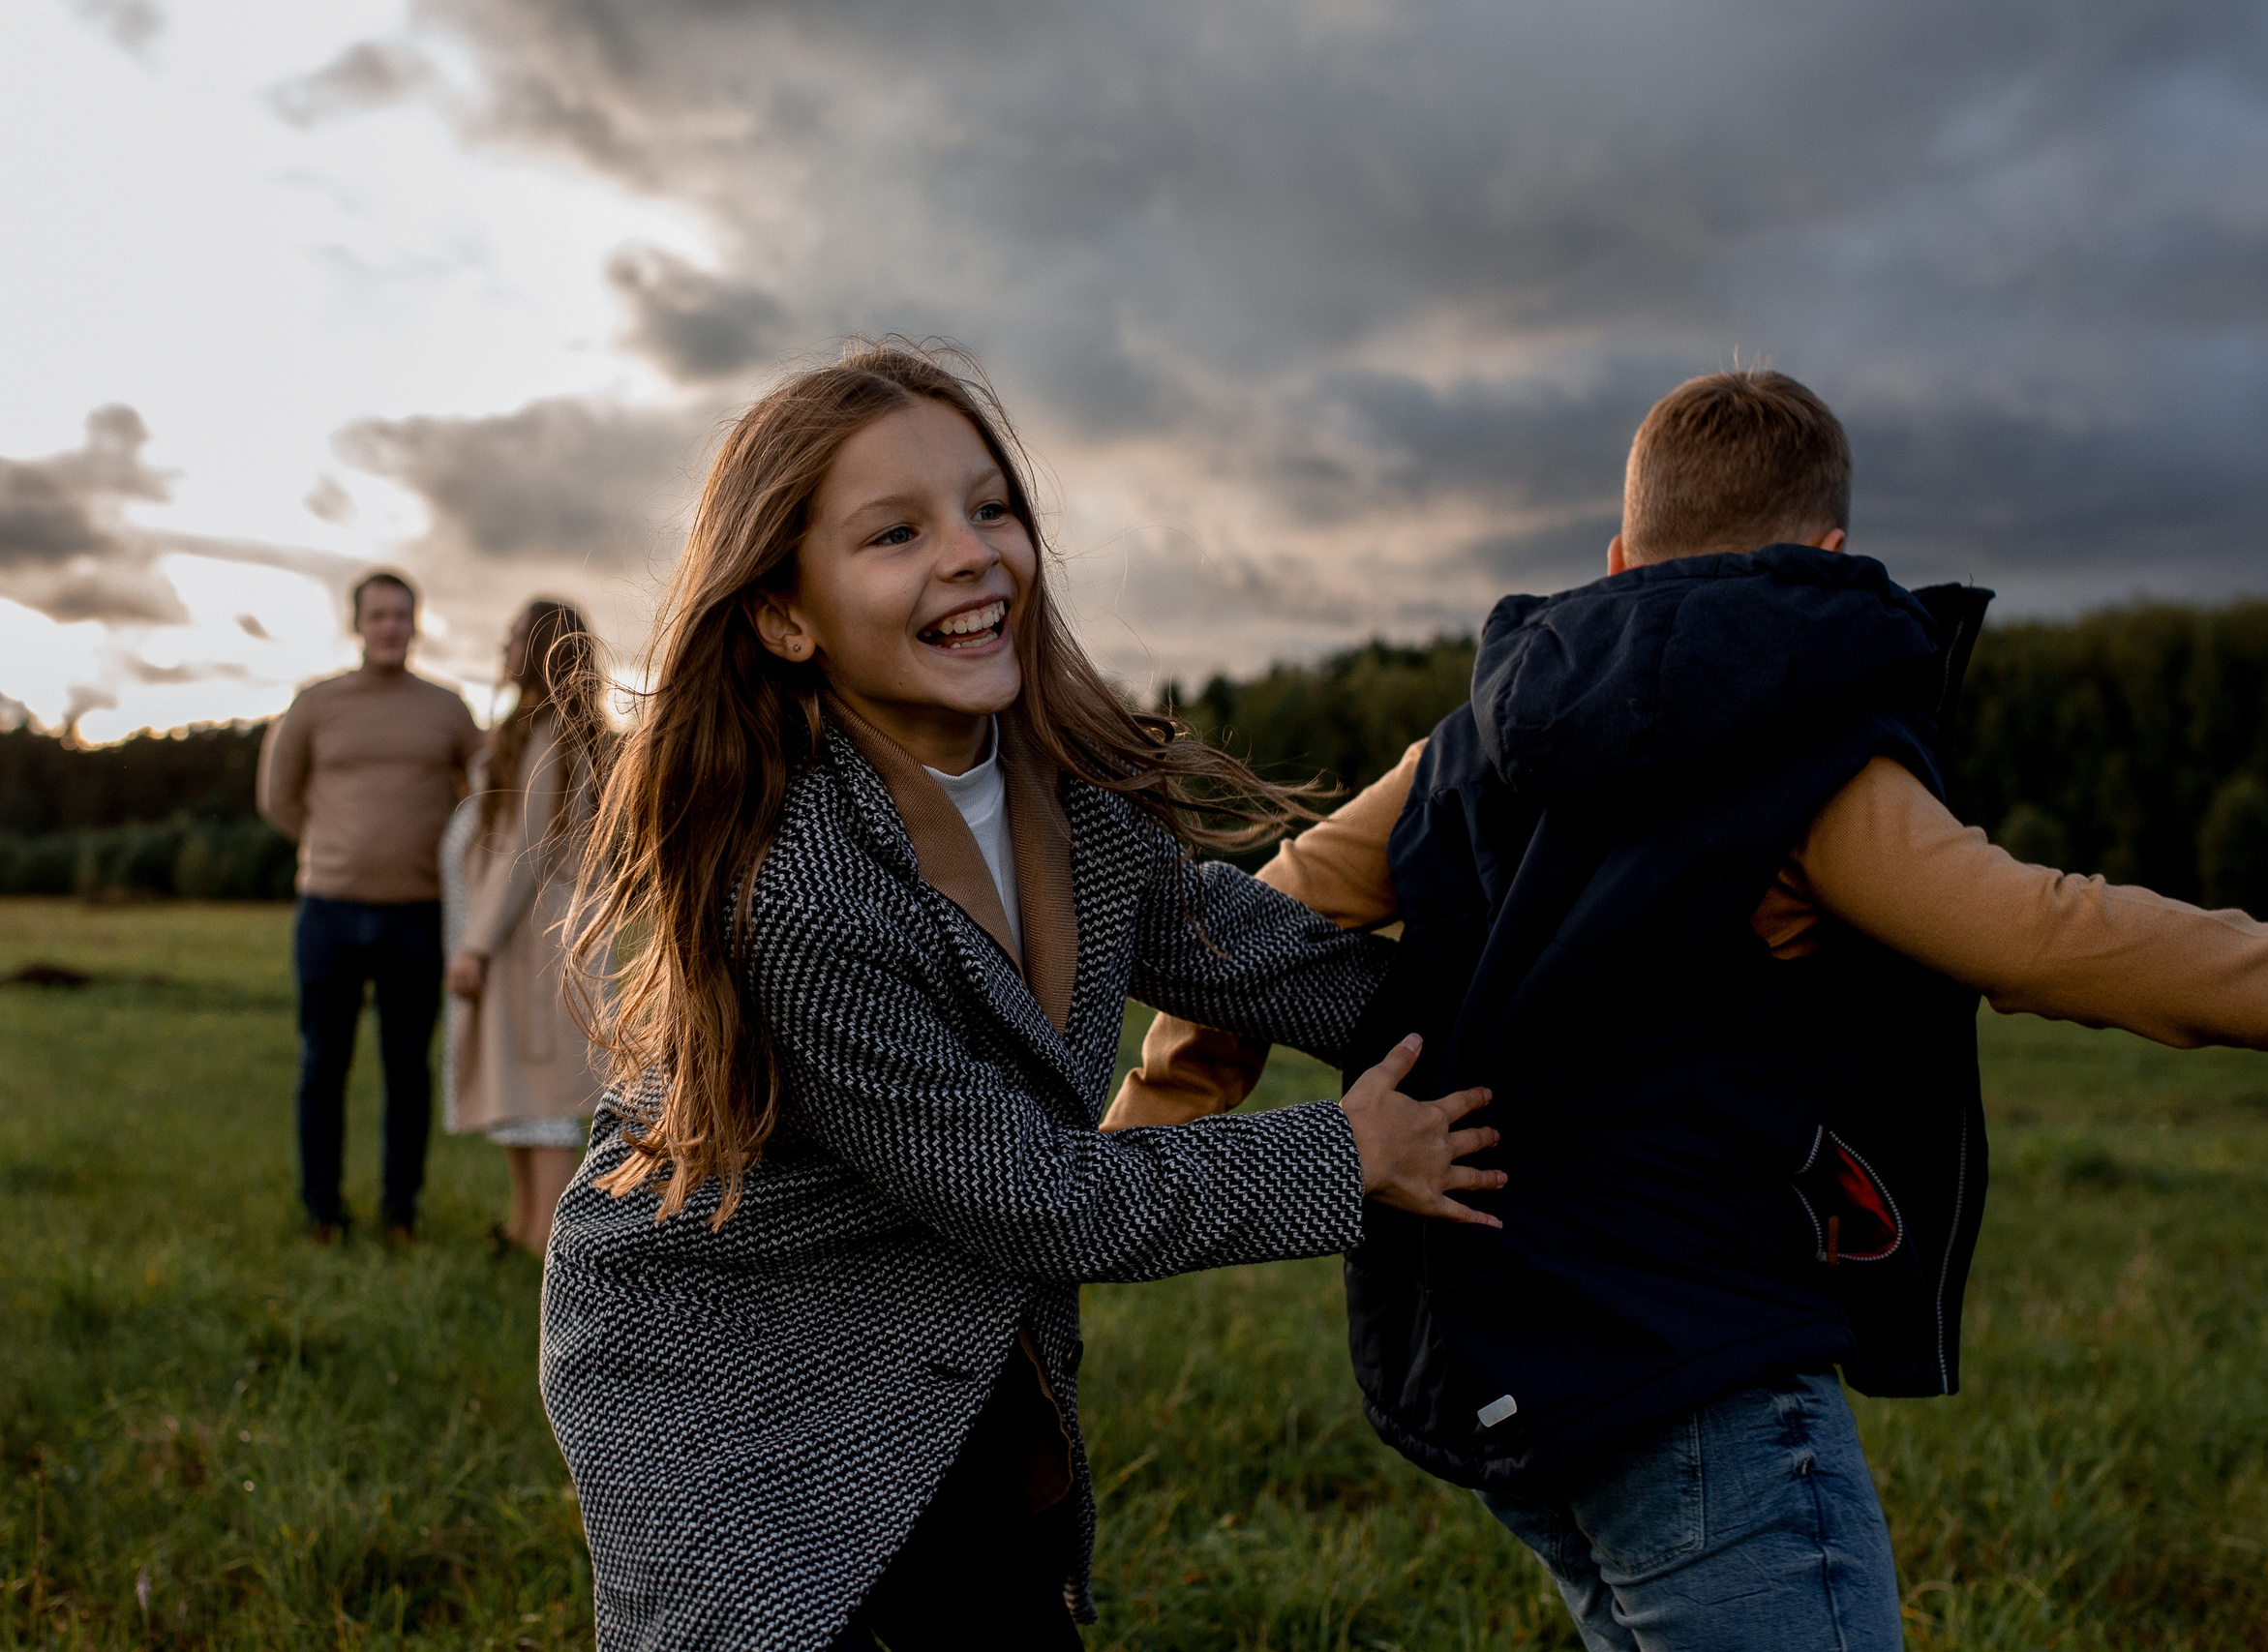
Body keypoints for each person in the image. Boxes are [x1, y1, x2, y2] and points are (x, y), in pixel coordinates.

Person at [1110, 370, 2268, 1652]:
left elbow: (1242, 930)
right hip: (1698, 1368)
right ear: (1824, 555)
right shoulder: (1814, 765)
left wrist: (1139, 1132)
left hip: (1500, 1365)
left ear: (1621, 558)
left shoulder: (1462, 745)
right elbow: (2048, 933)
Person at [537, 342, 1502, 1649]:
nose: (972, 551)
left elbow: (1247, 947)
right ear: (784, 612)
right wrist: (1348, 1151)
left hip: (952, 1324)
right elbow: (1039, 1194)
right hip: (738, 1372)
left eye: (990, 506)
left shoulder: (1067, 796)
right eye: (896, 532)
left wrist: (1496, 1010)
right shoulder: (801, 889)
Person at [258, 569, 482, 1244]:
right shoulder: (316, 703)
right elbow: (277, 797)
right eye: (378, 615)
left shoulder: (447, 708)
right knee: (322, 1064)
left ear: (416, 623)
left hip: (417, 915)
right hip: (326, 911)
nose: (390, 626)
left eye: (401, 615)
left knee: (406, 1070)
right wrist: (336, 847)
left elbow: (486, 795)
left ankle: (399, 1214)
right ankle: (322, 1212)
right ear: (357, 623)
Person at [440, 599, 608, 1258]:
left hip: (533, 934)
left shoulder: (551, 733)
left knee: (543, 1085)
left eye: (514, 637)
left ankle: (547, 1234)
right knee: (517, 1078)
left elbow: (524, 850)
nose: (503, 647)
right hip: (517, 932)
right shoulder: (533, 726)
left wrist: (474, 946)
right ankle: (523, 1223)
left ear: (539, 648)